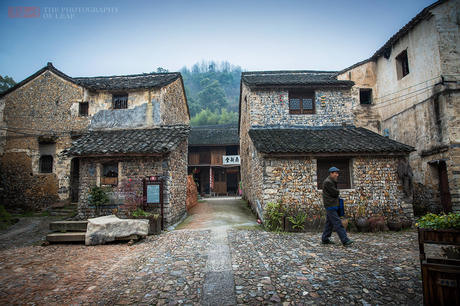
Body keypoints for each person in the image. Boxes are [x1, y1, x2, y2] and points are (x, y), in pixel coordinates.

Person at [321, 167, 353, 246]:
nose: (337, 175)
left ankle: (325, 239)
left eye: (337, 173)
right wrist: (338, 191)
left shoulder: (331, 181)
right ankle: (345, 240)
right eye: (335, 173)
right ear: (331, 173)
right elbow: (335, 193)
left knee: (329, 223)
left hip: (332, 204)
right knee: (337, 223)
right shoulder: (328, 182)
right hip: (330, 205)